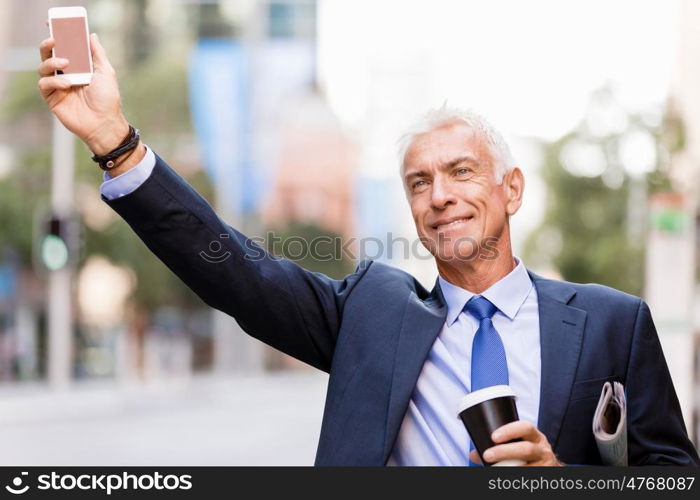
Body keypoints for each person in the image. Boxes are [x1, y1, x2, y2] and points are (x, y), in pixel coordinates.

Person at [37, 34, 699, 467]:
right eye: (419, 182)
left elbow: (673, 477)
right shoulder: (372, 312)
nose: (440, 195)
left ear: (512, 189)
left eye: (461, 172)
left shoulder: (614, 321)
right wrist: (114, 141)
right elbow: (235, 269)